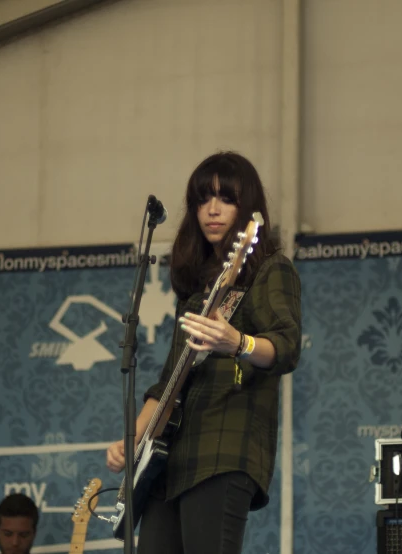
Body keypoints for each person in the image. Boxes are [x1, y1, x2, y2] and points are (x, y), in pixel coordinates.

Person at [106, 151, 302, 554]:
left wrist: (239, 343)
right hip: (168, 459)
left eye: (226, 199)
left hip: (223, 449)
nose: (212, 210)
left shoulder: (270, 269)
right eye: (201, 199)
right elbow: (169, 382)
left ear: (248, 209)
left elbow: (286, 346)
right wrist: (134, 437)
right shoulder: (197, 295)